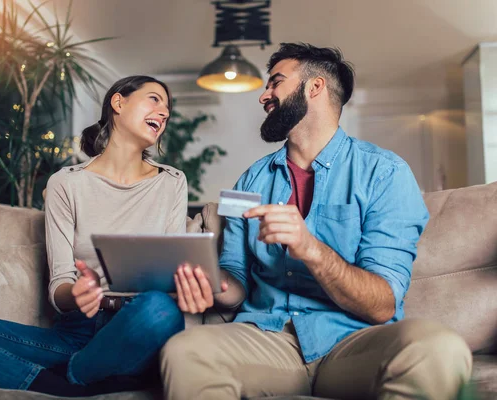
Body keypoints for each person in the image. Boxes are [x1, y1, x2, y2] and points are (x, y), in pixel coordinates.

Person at [162, 43, 472, 400]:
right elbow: (236, 282)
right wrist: (208, 282)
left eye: (275, 82)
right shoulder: (249, 181)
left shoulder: (385, 174)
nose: (264, 95)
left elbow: (383, 303)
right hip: (267, 340)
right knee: (184, 351)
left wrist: (310, 248)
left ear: (315, 87)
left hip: (353, 342)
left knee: (439, 348)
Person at [0, 75, 187, 397]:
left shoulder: (171, 183)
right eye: (155, 100)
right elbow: (59, 286)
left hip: (136, 325)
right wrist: (76, 293)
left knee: (161, 309)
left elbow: (170, 275)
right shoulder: (67, 183)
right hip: (75, 334)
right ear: (118, 103)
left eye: (168, 108)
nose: (164, 113)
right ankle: (66, 385)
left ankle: (81, 374)